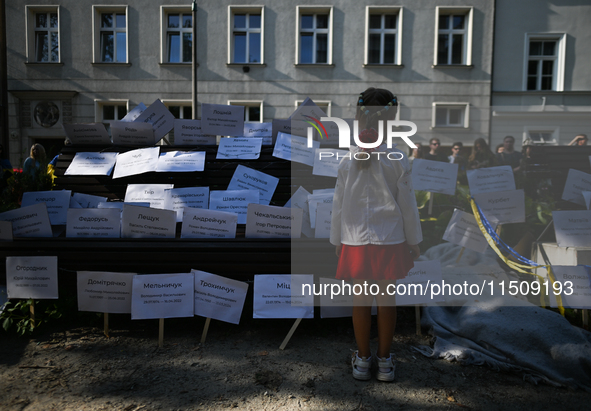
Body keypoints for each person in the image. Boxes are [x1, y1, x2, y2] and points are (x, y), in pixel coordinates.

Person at [331, 88, 422, 382]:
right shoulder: (398, 158)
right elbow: (407, 204)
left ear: (358, 116)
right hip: (390, 238)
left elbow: (338, 205)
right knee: (386, 301)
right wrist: (414, 240)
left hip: (355, 239)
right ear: (393, 119)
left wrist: (336, 240)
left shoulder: (346, 160)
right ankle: (384, 362)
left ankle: (362, 360)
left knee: (361, 301)